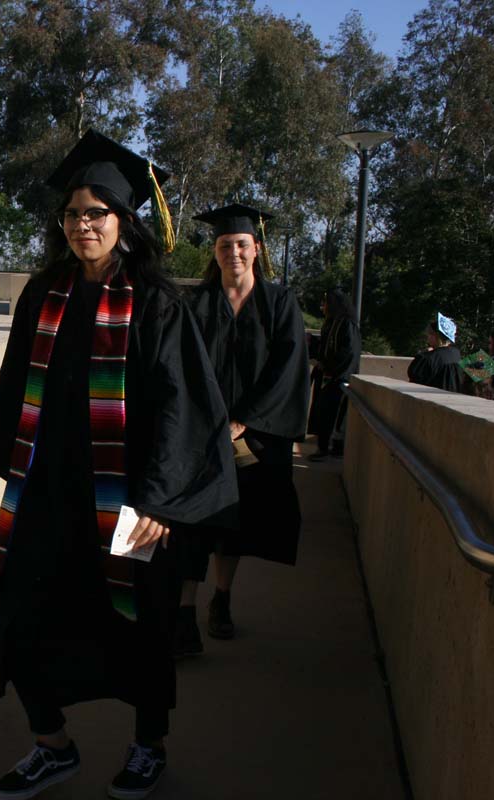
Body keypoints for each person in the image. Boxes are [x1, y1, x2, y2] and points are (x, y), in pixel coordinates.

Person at [0, 130, 236, 800]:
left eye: (97, 213)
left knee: (139, 625)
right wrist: (0, 449)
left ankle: (148, 745)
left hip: (128, 503)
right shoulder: (43, 294)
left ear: (123, 221)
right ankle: (51, 745)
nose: (83, 225)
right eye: (73, 214)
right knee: (18, 612)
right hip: (47, 495)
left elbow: (183, 405)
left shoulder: (154, 301)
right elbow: (12, 386)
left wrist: (159, 502)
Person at [173, 203, 310, 655]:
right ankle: (185, 616)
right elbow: (183, 366)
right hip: (201, 432)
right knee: (192, 521)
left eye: (241, 245)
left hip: (253, 435)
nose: (233, 252)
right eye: (224, 245)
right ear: (214, 253)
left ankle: (222, 598)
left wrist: (243, 419)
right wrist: (209, 420)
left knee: (234, 525)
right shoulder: (197, 305)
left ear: (257, 249)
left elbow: (288, 367)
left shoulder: (279, 303)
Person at [308, 288, 361, 460]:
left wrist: (329, 366)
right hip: (327, 376)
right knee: (323, 413)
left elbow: (349, 352)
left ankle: (330, 449)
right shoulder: (332, 322)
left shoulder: (346, 324)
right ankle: (324, 447)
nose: (323, 306)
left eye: (326, 303)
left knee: (333, 415)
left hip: (338, 378)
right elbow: (326, 346)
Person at [407, 313, 463, 392]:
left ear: (437, 336)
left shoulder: (426, 358)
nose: (428, 336)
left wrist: (425, 354)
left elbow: (415, 379)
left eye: (430, 333)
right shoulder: (457, 354)